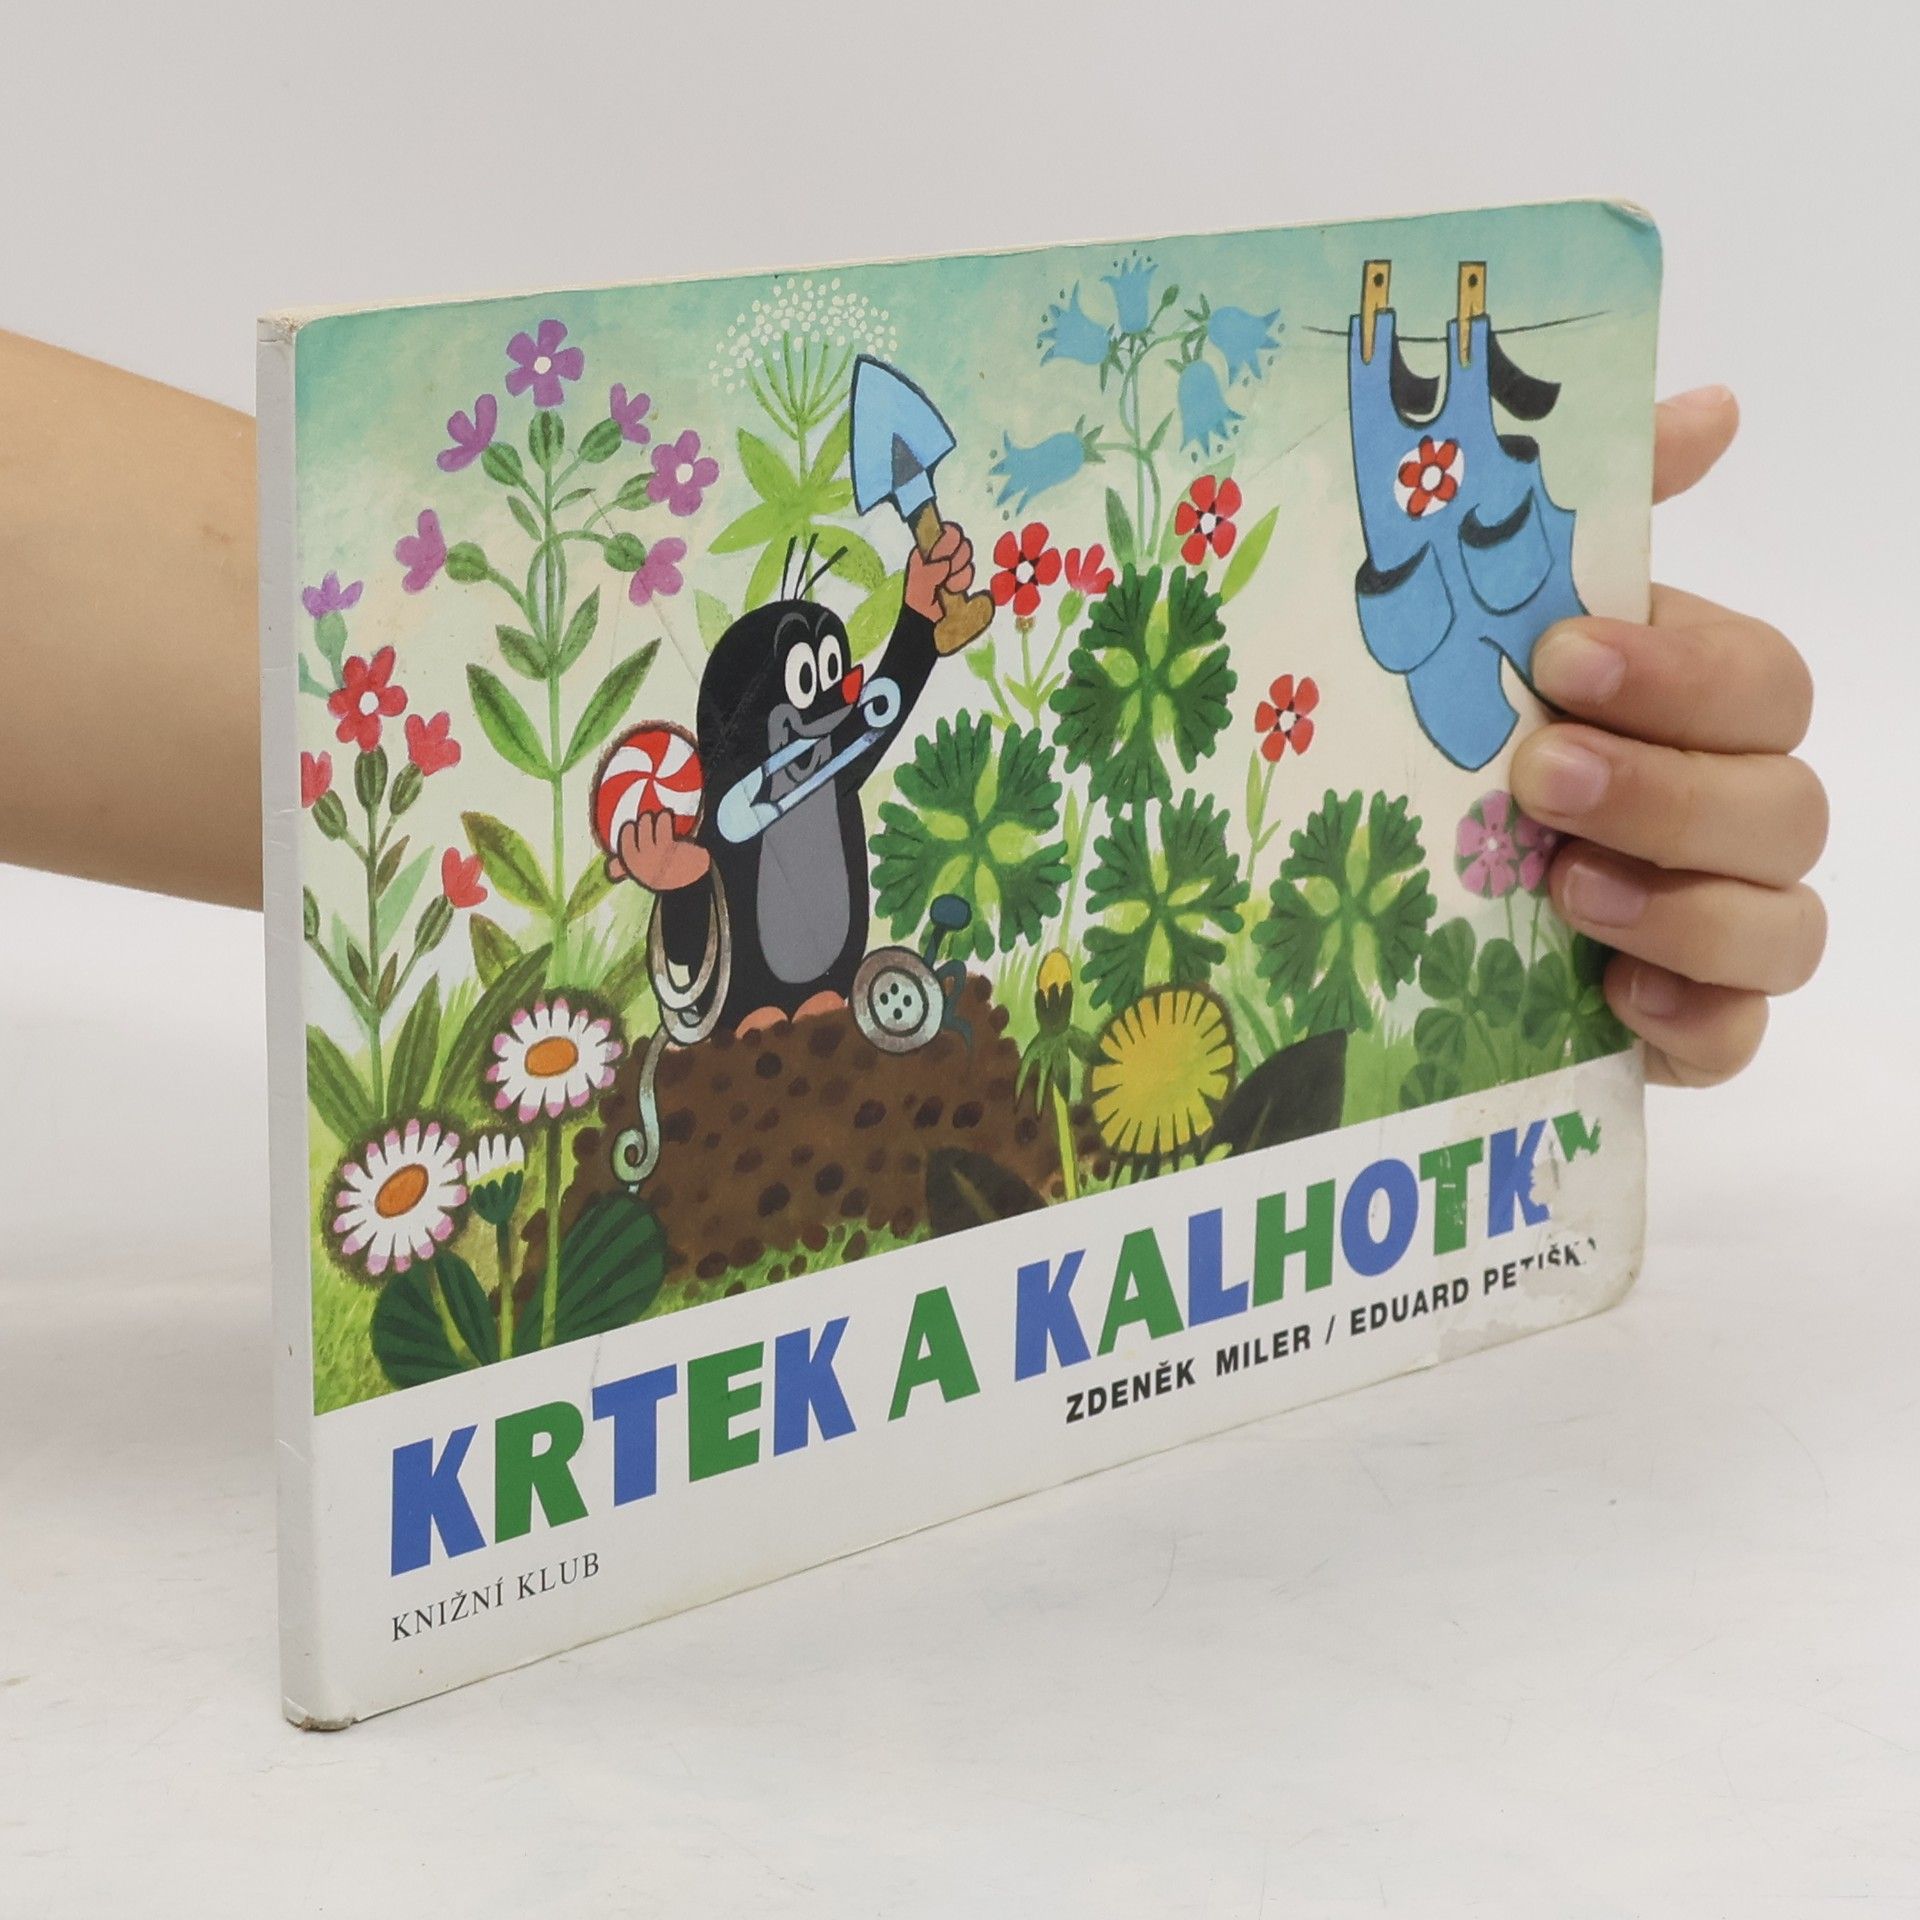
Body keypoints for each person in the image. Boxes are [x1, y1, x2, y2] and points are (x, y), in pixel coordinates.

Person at [0, 333, 1825, 1088]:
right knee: (780, 993)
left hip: (828, 960)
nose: (816, 702)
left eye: (819, 677)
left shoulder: (813, 749)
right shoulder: (740, 794)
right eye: (786, 687)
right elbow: (804, 760)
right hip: (747, 982)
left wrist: (1385, 703)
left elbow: (861, 722)